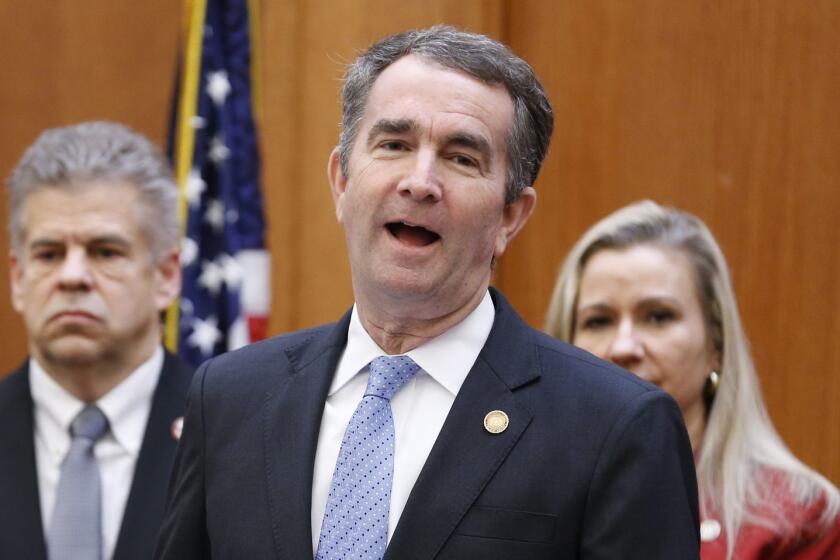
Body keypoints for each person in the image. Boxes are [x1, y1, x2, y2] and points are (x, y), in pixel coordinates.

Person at [156, 26, 699, 559]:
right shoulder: (230, 397)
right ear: (341, 182)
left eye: (462, 158)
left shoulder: (616, 426)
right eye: (394, 144)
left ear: (510, 216)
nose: (420, 181)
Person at [545, 200, 840, 559]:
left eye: (657, 317)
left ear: (716, 343)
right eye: (598, 321)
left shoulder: (801, 518)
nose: (623, 347)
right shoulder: (519, 492)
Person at [0, 121, 194, 560]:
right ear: (18, 278)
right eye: (49, 254)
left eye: (105, 252)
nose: (72, 277)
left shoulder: (232, 437)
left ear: (166, 276)